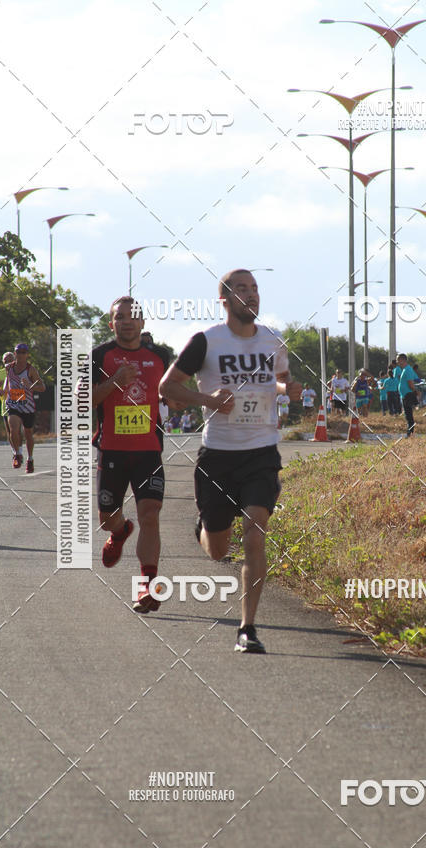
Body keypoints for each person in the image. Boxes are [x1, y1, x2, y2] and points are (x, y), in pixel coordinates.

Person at [159, 268, 302, 653]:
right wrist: (208, 400)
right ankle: (204, 527)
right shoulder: (206, 341)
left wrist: (288, 388)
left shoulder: (273, 339)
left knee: (255, 533)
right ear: (224, 300)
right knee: (218, 550)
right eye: (241, 289)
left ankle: (247, 628)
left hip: (261, 452)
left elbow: (279, 379)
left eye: (255, 288)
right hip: (218, 457)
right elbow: (167, 387)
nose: (251, 294)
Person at [91, 296, 169, 613]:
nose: (126, 321)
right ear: (112, 323)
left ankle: (147, 586)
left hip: (148, 451)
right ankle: (120, 531)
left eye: (132, 316)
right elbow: (83, 400)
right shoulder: (99, 355)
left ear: (142, 322)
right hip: (112, 450)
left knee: (150, 515)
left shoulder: (160, 356)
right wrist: (114, 381)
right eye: (120, 317)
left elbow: (173, 391)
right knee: (107, 518)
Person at [3, 343, 45, 472]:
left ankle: (30, 459)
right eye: (18, 352)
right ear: (15, 353)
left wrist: (30, 385)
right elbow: (8, 381)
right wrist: (5, 390)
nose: (21, 355)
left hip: (27, 406)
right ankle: (17, 454)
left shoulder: (31, 369)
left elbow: (42, 387)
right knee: (13, 428)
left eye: (23, 352)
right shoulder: (9, 367)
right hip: (13, 404)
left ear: (27, 355)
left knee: (28, 434)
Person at [0, 351, 18, 457]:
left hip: (20, 404)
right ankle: (16, 453)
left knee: (17, 431)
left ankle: (19, 450)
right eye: (6, 361)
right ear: (3, 362)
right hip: (6, 406)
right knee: (10, 431)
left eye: (11, 360)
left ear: (15, 360)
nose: (8, 362)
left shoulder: (21, 372)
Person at [396, 353, 418, 437]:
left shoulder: (408, 370)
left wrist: (415, 391)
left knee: (409, 415)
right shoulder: (404, 369)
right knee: (407, 415)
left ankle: (410, 433)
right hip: (405, 395)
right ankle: (410, 432)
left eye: (398, 360)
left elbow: (410, 383)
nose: (397, 362)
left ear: (402, 360)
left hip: (408, 395)